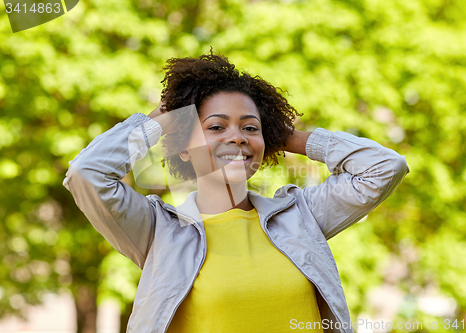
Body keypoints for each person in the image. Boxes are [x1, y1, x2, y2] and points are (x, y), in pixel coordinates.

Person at [63, 51, 410, 333]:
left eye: (249, 127)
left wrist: (283, 134)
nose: (237, 137)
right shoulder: (158, 231)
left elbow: (384, 167)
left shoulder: (300, 217)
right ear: (184, 147)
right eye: (216, 126)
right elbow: (86, 173)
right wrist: (162, 119)